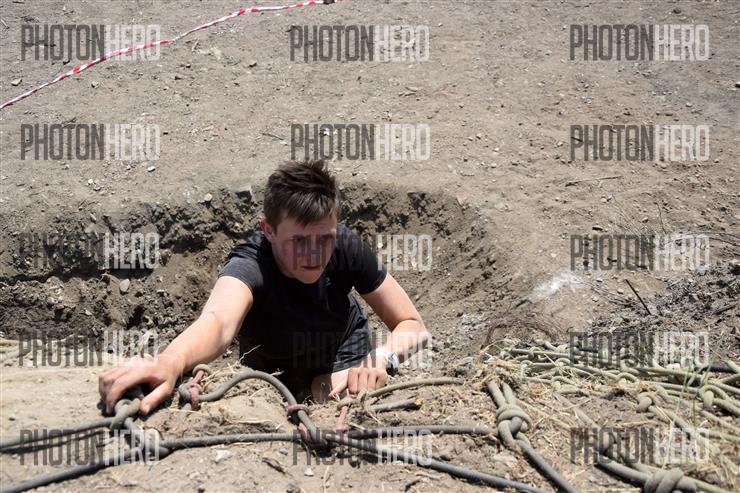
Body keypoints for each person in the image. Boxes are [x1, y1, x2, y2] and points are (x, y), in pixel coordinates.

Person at [99, 160, 429, 415]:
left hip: (344, 356)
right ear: (268, 230)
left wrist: (380, 358)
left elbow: (412, 325)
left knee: (341, 402)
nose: (315, 255)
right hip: (273, 374)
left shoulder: (345, 245)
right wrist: (171, 361)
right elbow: (218, 322)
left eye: (325, 239)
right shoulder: (251, 264)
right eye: (299, 241)